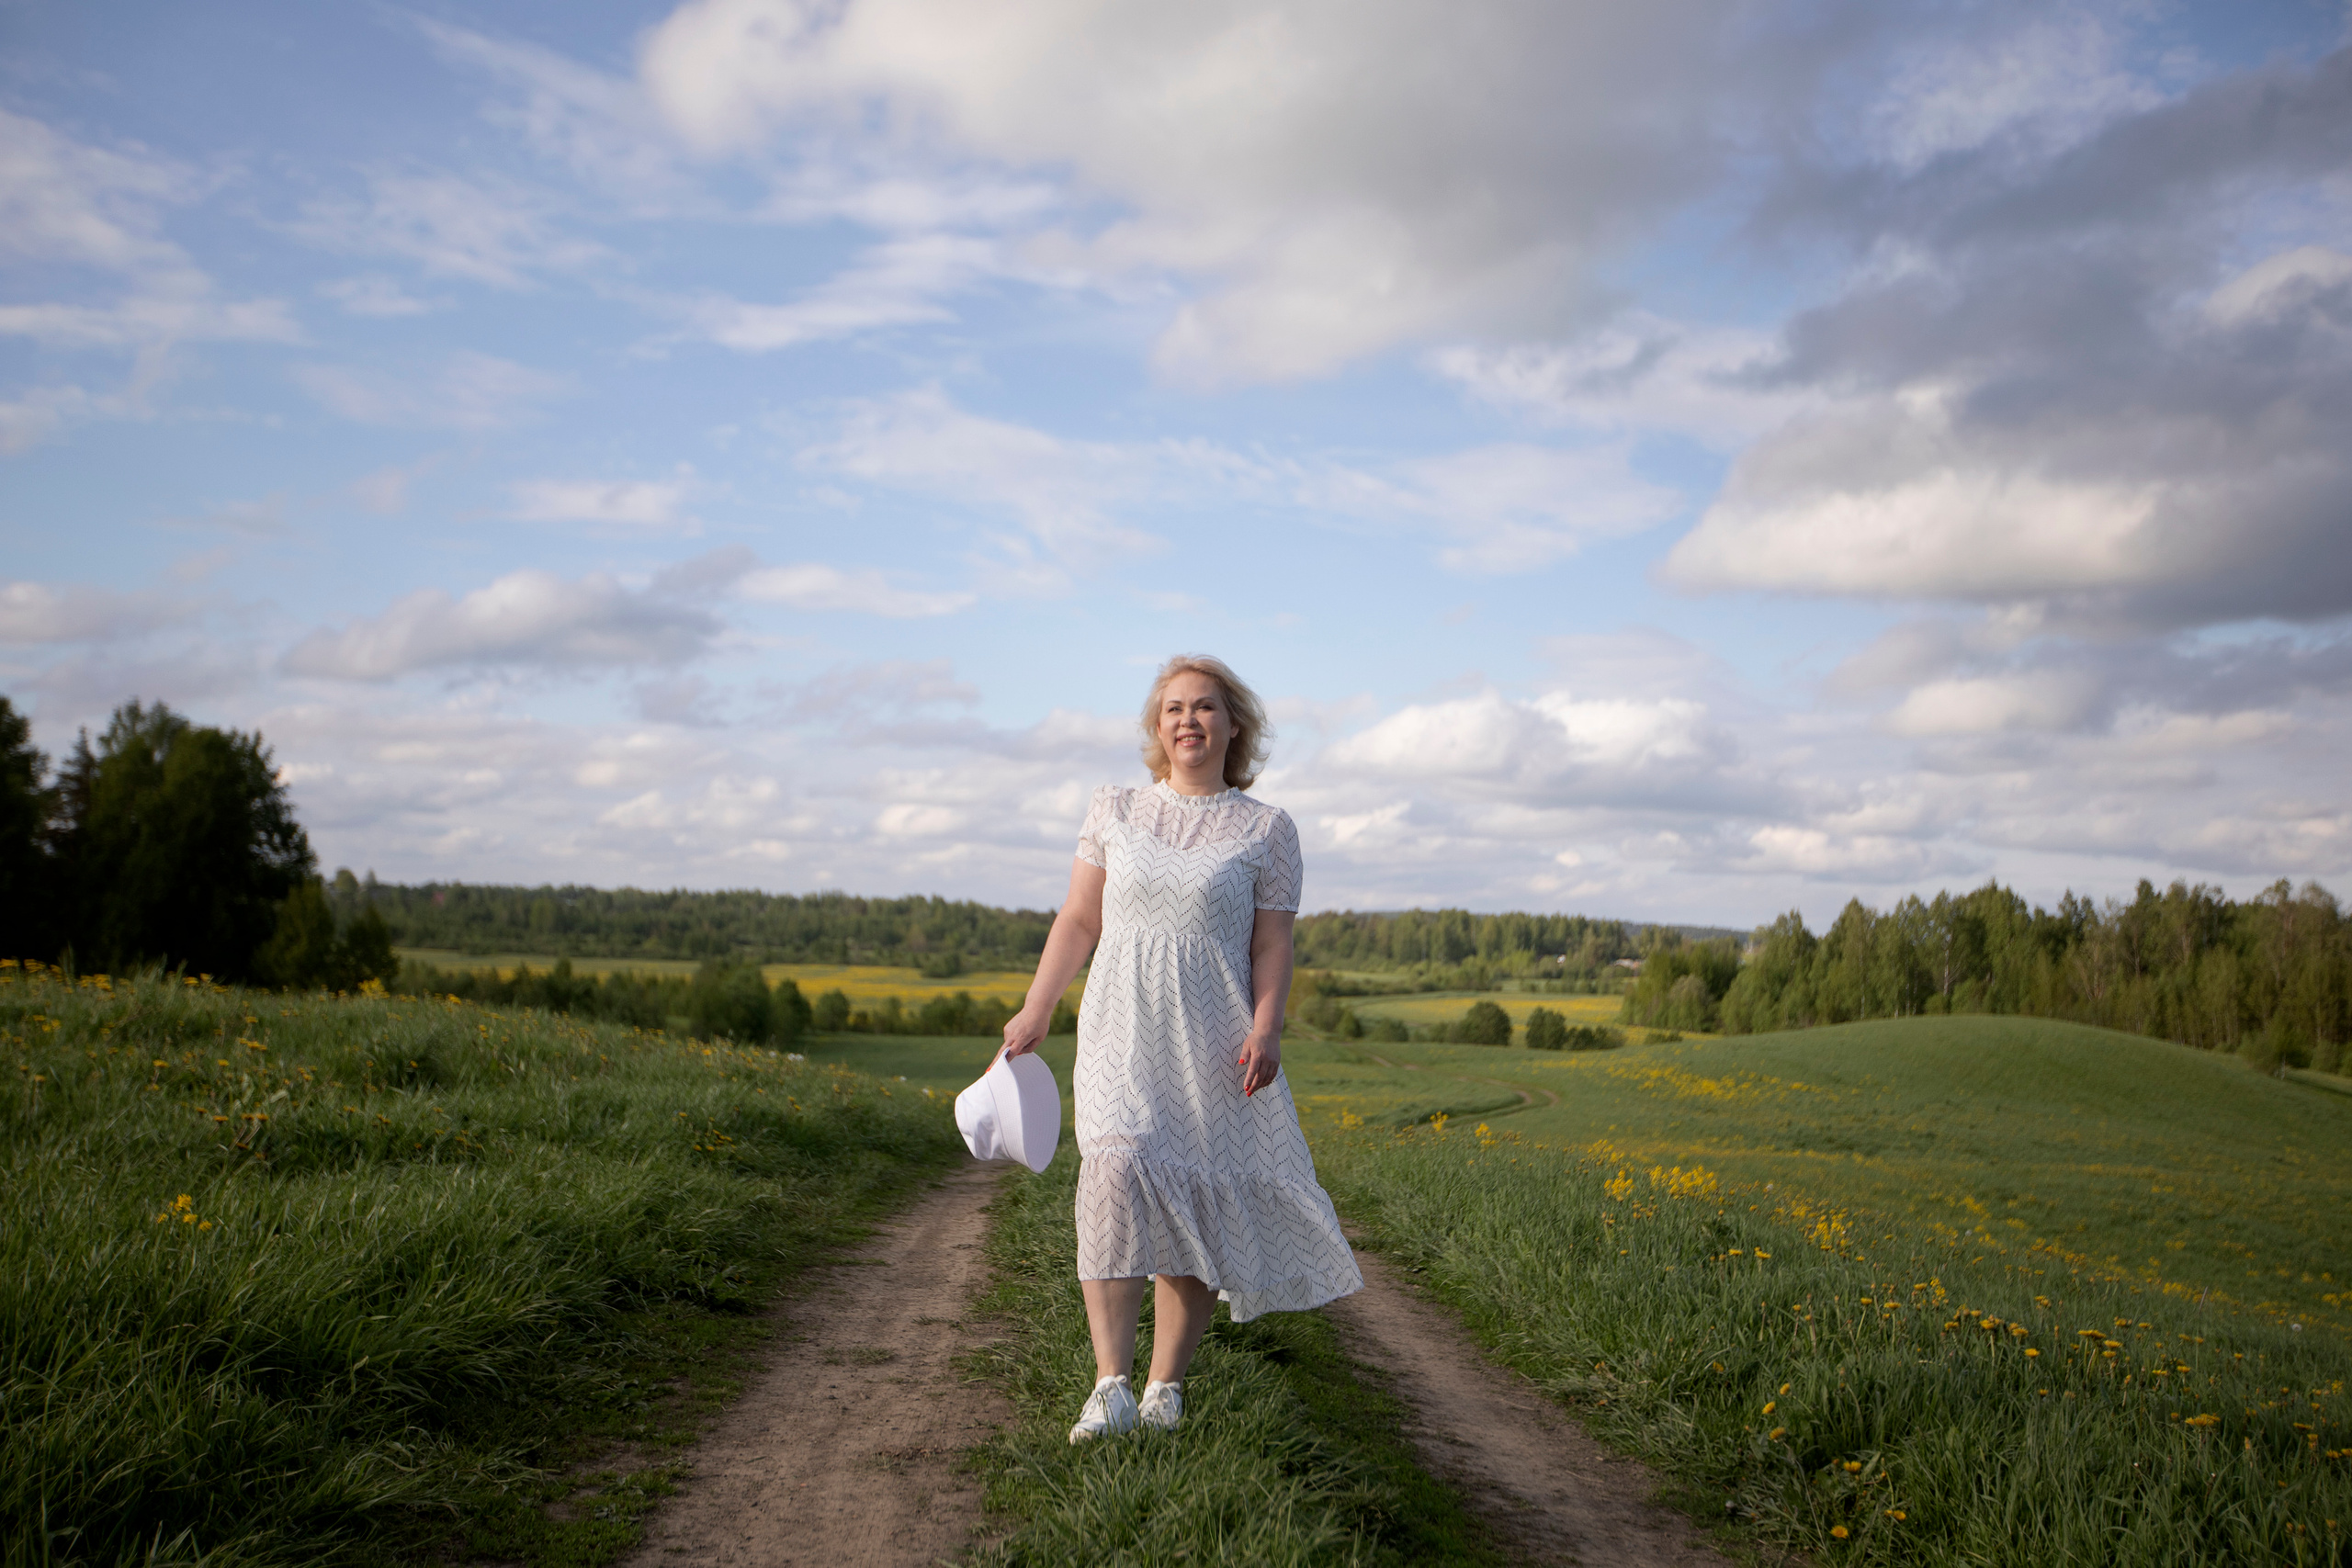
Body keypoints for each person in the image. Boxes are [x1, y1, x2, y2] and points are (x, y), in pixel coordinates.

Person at [1001, 654, 1363, 1443]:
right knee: (1115, 1167)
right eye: (1173, 709)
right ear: (1156, 726)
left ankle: (1165, 1387)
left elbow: (1272, 945)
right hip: (1120, 1027)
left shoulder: (1268, 830)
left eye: (1205, 708)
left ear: (1235, 726)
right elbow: (1078, 922)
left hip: (1214, 1036)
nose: (1188, 721)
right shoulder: (1116, 808)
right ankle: (1110, 1385)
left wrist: (1267, 1024)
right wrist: (1037, 1008)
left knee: (1192, 1193)